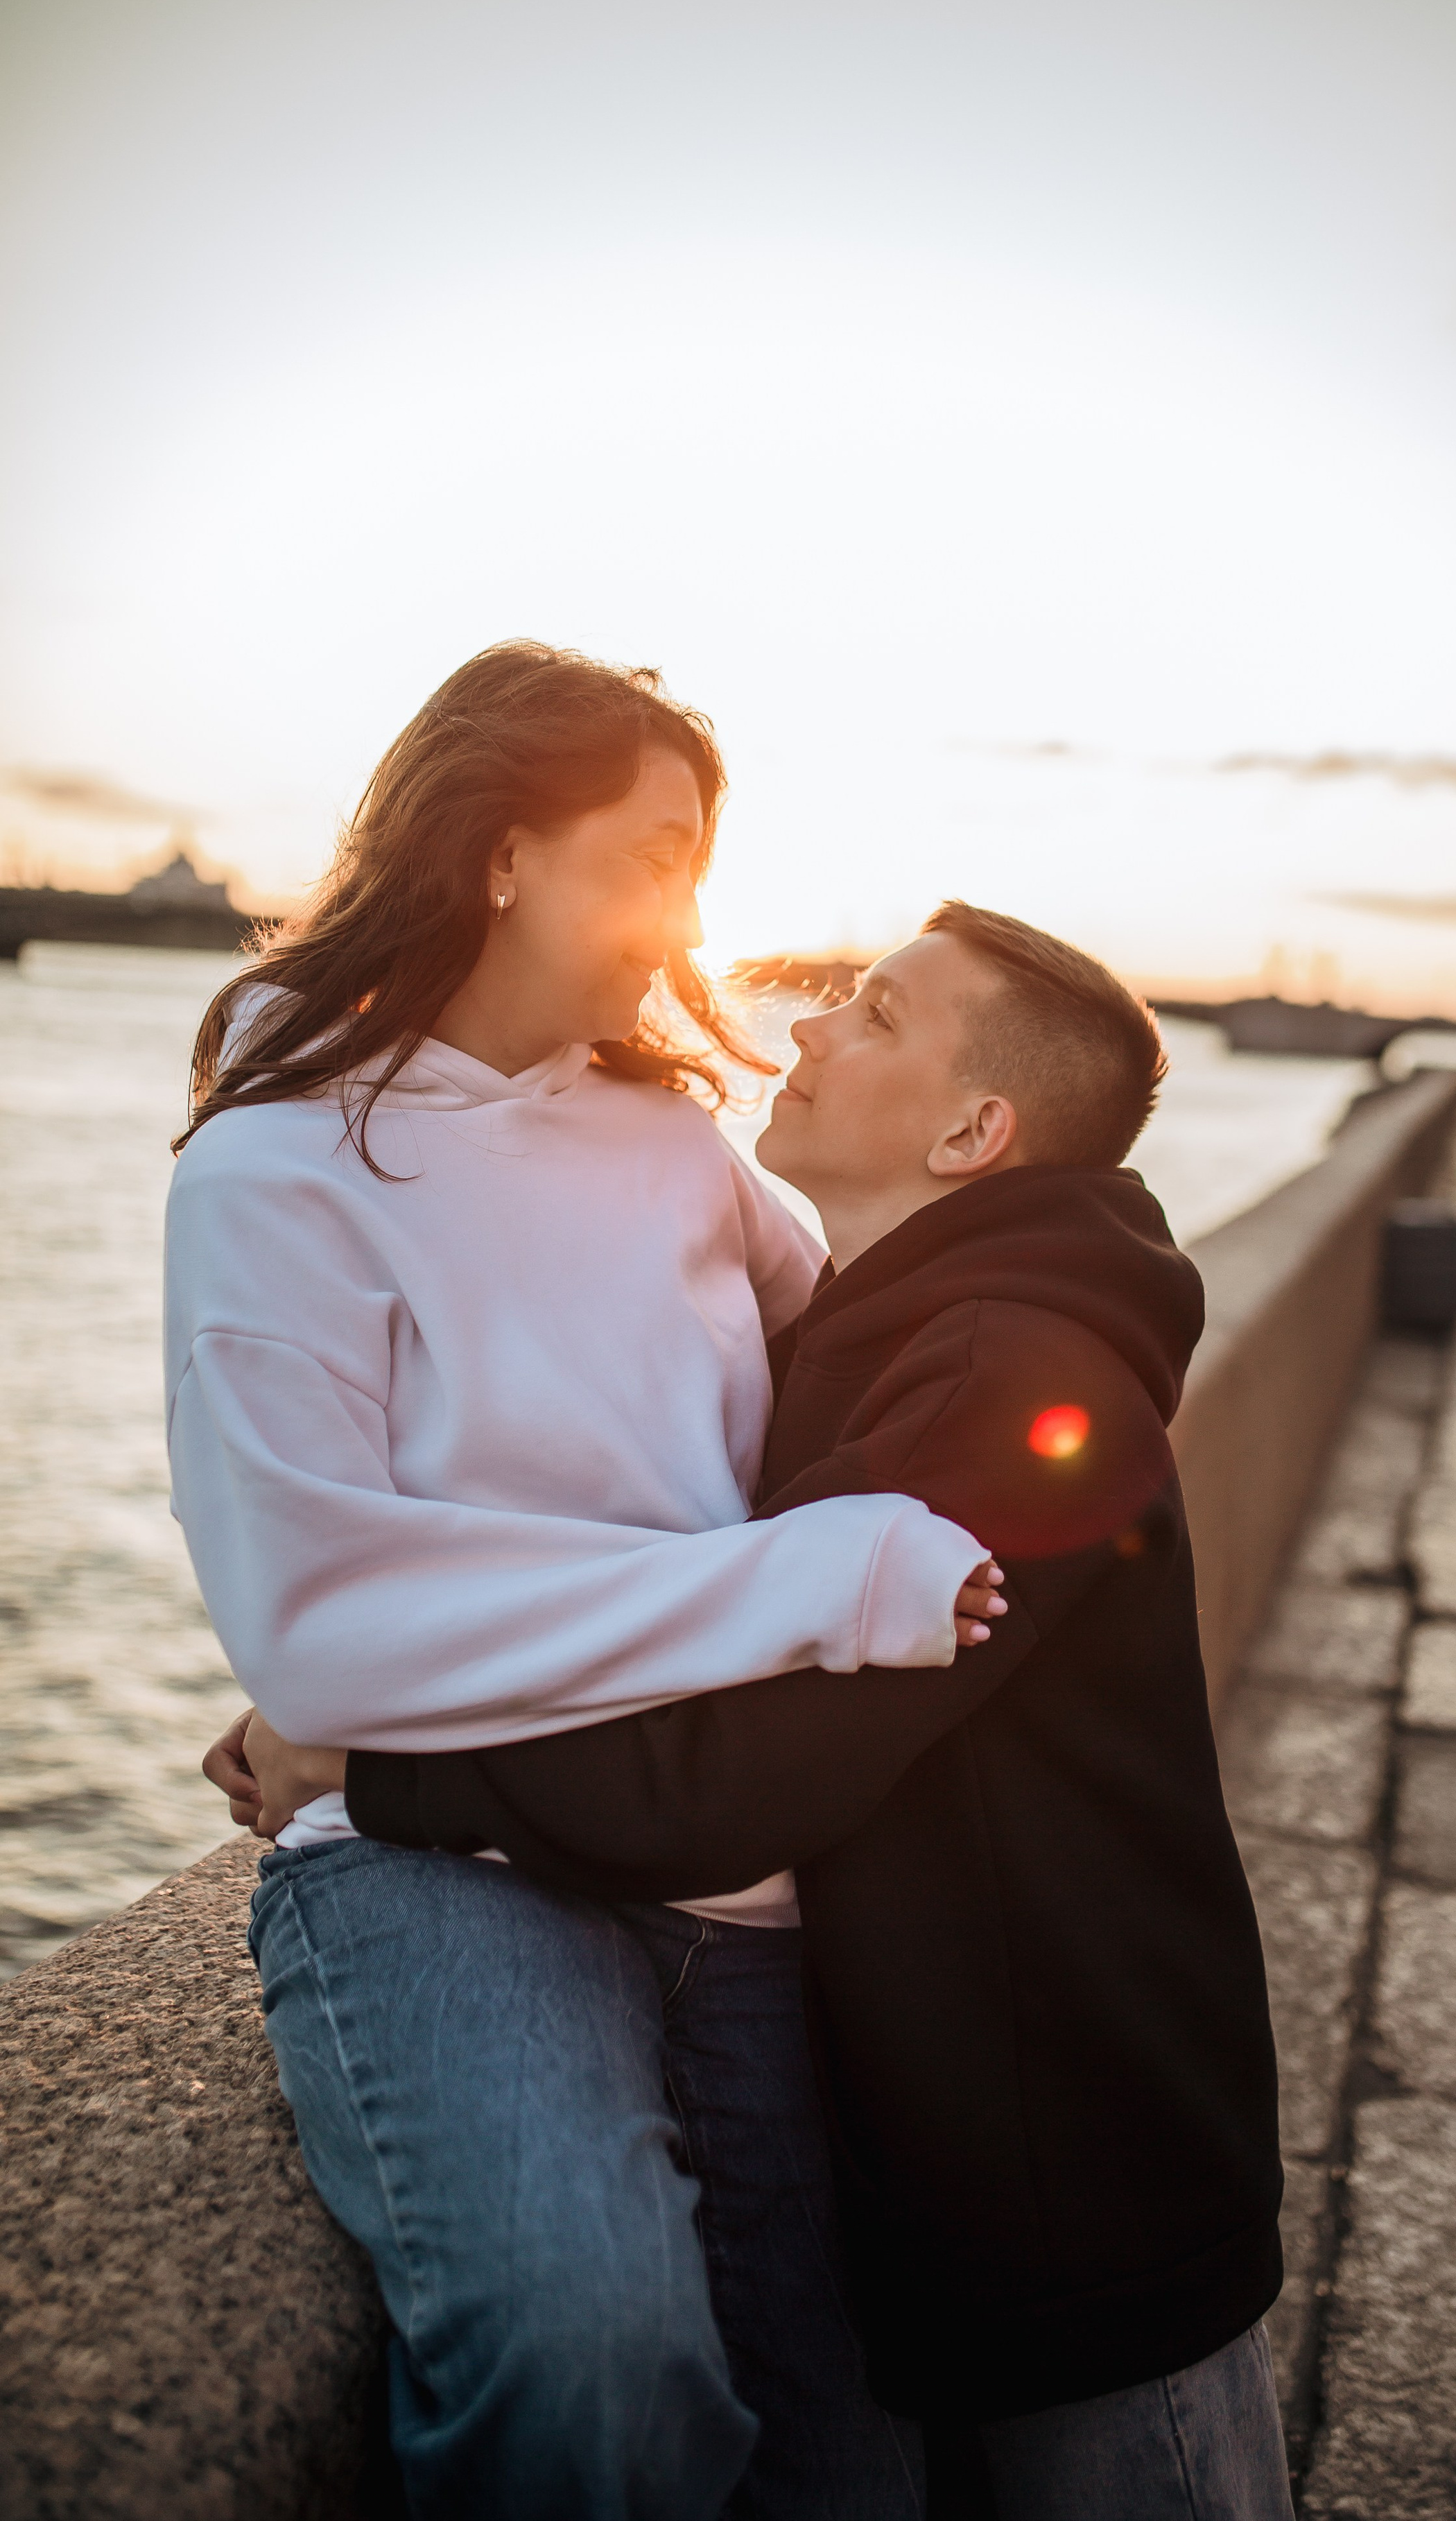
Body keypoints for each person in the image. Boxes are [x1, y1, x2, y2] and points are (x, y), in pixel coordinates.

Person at [234, 903, 1292, 2520]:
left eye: (875, 1015)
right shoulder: (874, 1323)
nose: (806, 1029)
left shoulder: (1014, 1378)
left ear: (969, 1132)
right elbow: (654, 1597)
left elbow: (734, 1763)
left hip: (1074, 2198)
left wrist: (374, 1767)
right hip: (959, 2151)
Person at [175, 640, 1001, 2521]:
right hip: (437, 1869)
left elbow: (868, 1341)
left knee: (858, 2469)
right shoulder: (274, 1167)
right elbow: (318, 1630)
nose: (686, 918)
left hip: (729, 1852)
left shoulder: (674, 1138)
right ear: (499, 854)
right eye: (652, 857)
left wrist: (1072, 1292)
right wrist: (804, 1585)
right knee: (596, 2366)